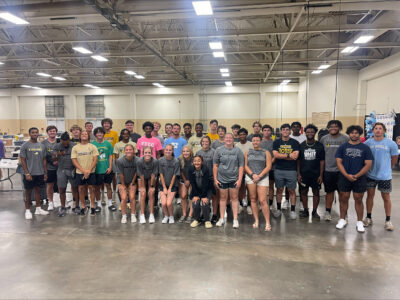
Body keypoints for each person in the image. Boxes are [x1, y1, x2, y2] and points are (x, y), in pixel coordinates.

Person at [335, 125, 373, 232]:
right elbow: (339, 162)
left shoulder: (365, 148)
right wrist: (347, 175)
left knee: (359, 199)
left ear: (359, 134)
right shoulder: (342, 147)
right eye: (352, 133)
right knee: (343, 198)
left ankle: (359, 222)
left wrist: (357, 175)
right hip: (344, 176)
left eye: (356, 133)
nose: (354, 134)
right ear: (349, 134)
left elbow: (368, 164)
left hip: (359, 178)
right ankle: (342, 219)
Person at [364, 122, 398, 231]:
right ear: (373, 130)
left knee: (386, 197)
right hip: (370, 175)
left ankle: (388, 220)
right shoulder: (368, 143)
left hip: (385, 176)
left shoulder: (391, 143)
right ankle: (368, 217)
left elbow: (394, 158)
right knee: (370, 196)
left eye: (380, 128)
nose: (378, 130)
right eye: (376, 128)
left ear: (384, 131)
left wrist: (388, 168)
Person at [320, 120, 349, 221]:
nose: (333, 128)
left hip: (342, 171)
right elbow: (321, 155)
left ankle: (344, 214)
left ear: (340, 128)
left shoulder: (345, 138)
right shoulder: (324, 139)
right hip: (328, 171)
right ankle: (328, 212)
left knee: (343, 194)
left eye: (336, 126)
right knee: (329, 193)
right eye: (331, 126)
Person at [213, 133, 244, 228]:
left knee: (234, 198)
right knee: (222, 198)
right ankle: (221, 218)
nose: (228, 139)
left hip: (234, 179)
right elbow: (215, 165)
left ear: (233, 139)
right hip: (222, 179)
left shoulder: (238, 151)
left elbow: (241, 166)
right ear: (224, 139)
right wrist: (215, 179)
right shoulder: (218, 150)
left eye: (230, 138)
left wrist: (239, 180)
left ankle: (235, 219)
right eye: (227, 138)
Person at [245, 134, 272, 231]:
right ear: (251, 141)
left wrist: (259, 176)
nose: (255, 142)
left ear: (260, 141)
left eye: (257, 140)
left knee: (263, 200)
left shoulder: (266, 152)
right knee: (253, 199)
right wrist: (253, 175)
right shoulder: (248, 152)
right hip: (251, 177)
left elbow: (268, 166)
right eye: (253, 140)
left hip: (263, 178)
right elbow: (245, 166)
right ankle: (256, 220)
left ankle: (267, 222)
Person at [272, 123, 300, 220]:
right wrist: (289, 156)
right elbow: (276, 155)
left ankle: (292, 210)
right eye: (283, 129)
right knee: (279, 190)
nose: (285, 131)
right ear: (281, 131)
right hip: (279, 170)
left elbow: (295, 156)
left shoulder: (295, 143)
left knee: (291, 190)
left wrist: (282, 155)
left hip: (291, 170)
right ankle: (278, 209)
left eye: (287, 129)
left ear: (290, 131)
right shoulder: (276, 142)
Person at [20, 127, 49, 219]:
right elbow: (23, 160)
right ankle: (28, 210)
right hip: (30, 173)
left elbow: (44, 160)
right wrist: (27, 173)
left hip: (39, 173)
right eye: (32, 132)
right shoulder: (25, 145)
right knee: (28, 192)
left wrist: (45, 173)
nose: (34, 134)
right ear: (29, 134)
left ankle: (38, 209)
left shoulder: (42, 146)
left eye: (36, 132)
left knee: (38, 191)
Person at [297, 124, 325, 219]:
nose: (310, 133)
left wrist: (321, 175)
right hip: (304, 174)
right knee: (303, 192)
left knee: (316, 193)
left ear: (315, 133)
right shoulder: (301, 146)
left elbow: (322, 161)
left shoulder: (319, 146)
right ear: (305, 133)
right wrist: (299, 174)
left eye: (312, 132)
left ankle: (314, 212)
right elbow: (298, 161)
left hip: (316, 175)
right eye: (308, 132)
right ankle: (305, 210)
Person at [71, 130, 98, 215]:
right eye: (82, 134)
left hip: (91, 171)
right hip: (80, 172)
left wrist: (89, 170)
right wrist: (83, 171)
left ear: (88, 136)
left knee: (92, 189)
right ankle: (83, 206)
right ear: (79, 136)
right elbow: (74, 160)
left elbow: (95, 159)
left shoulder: (93, 146)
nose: (84, 135)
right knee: (81, 189)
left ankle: (92, 206)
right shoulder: (75, 147)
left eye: (86, 134)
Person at [53, 132, 79, 217]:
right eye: (63, 142)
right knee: (61, 189)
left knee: (75, 188)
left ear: (69, 140)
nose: (65, 143)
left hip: (72, 169)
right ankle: (63, 207)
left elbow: (78, 157)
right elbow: (53, 158)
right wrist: (58, 154)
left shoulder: (74, 145)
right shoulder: (57, 146)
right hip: (62, 170)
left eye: (67, 141)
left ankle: (77, 206)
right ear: (61, 140)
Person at [92, 127, 115, 214]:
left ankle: (110, 204)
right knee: (97, 188)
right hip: (97, 170)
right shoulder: (92, 144)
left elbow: (110, 156)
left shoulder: (108, 144)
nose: (99, 134)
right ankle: (98, 204)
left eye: (101, 133)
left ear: (103, 134)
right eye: (97, 133)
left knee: (108, 186)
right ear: (95, 135)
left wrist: (110, 167)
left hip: (106, 169)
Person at [196, 136, 218, 223]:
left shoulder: (214, 152)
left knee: (214, 196)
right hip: (201, 179)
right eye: (203, 141)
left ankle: (215, 214)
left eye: (207, 141)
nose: (205, 143)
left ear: (209, 142)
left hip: (212, 178)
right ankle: (204, 213)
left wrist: (216, 178)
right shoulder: (198, 152)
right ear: (201, 143)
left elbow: (216, 165)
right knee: (203, 197)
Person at [188, 155, 213, 229]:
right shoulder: (190, 169)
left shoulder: (206, 169)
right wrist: (195, 195)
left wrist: (204, 196)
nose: (197, 162)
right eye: (195, 161)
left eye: (198, 161)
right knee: (195, 203)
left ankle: (207, 220)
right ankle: (197, 219)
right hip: (196, 190)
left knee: (204, 203)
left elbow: (205, 184)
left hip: (207, 189)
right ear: (193, 162)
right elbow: (192, 183)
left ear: (202, 162)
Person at [116, 144, 138, 224]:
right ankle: (124, 215)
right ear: (124, 151)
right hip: (122, 181)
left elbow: (136, 172)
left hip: (132, 181)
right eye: (127, 150)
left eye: (130, 149)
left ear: (133, 151)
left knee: (132, 198)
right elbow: (120, 174)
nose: (128, 151)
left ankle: (133, 214)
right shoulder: (120, 161)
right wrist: (123, 185)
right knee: (124, 198)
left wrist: (132, 182)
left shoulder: (137, 160)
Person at [159, 144, 180, 224]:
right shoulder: (161, 160)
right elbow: (161, 174)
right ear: (164, 150)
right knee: (164, 203)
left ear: (173, 151)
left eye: (170, 150)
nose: (168, 151)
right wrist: (164, 187)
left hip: (173, 185)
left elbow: (175, 175)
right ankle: (166, 216)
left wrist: (170, 188)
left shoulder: (176, 161)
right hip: (163, 185)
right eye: (166, 150)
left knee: (168, 203)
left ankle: (171, 216)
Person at [137, 146, 158, 224]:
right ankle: (142, 214)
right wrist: (142, 187)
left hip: (151, 177)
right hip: (142, 177)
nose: (147, 154)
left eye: (149, 153)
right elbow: (140, 175)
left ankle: (151, 214)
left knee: (151, 193)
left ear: (152, 153)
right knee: (143, 193)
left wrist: (152, 186)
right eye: (146, 153)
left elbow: (153, 175)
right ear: (143, 153)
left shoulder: (155, 161)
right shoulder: (139, 161)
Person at [235, 127, 253, 214]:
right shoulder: (237, 145)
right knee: (241, 188)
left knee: (249, 189)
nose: (242, 136)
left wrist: (248, 169)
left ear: (246, 135)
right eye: (240, 134)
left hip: (250, 170)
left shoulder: (251, 144)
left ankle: (249, 205)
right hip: (240, 170)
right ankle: (241, 204)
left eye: (244, 134)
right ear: (238, 136)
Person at [41, 125, 58, 211]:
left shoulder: (59, 142)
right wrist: (52, 161)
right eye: (50, 131)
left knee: (62, 185)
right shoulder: (43, 143)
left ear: (56, 132)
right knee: (50, 185)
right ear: (47, 132)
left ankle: (63, 201)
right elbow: (43, 156)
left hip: (59, 167)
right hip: (49, 168)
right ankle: (50, 202)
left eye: (54, 131)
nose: (52, 132)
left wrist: (58, 160)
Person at [261, 124, 275, 208]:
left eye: (268, 130)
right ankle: (261, 203)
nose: (266, 132)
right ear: (262, 131)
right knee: (261, 186)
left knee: (270, 186)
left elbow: (275, 155)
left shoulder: (274, 142)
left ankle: (270, 203)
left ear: (271, 132)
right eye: (265, 130)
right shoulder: (259, 141)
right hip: (261, 168)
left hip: (272, 167)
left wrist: (269, 164)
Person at [178, 145, 194, 223]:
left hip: (192, 180)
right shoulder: (179, 160)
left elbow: (195, 171)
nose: (185, 153)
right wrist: (185, 180)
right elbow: (180, 171)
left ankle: (190, 215)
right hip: (183, 180)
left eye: (187, 151)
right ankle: (184, 214)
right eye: (184, 151)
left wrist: (190, 181)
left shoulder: (194, 160)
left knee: (192, 197)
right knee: (183, 196)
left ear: (190, 152)